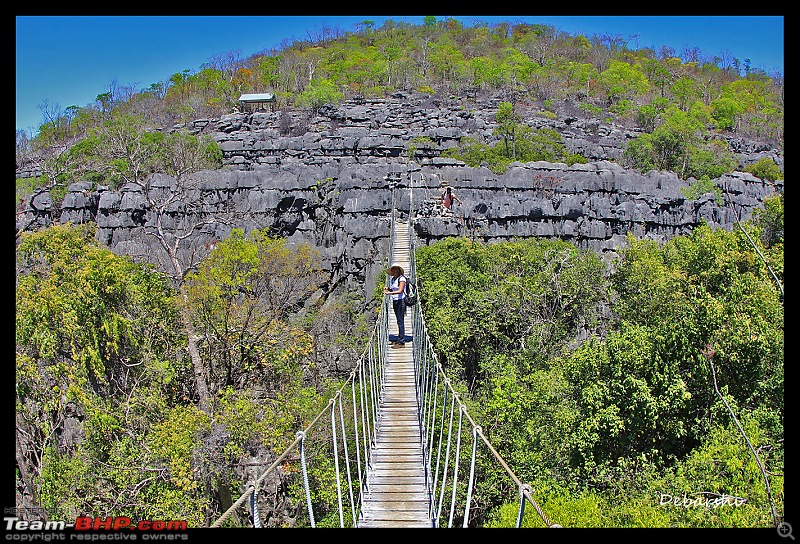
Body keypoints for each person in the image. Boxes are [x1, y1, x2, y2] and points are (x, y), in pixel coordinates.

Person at [383, 264, 407, 347]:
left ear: (399, 270)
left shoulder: (402, 278)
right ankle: (400, 338)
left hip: (401, 301)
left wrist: (389, 293)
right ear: (392, 271)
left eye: (397, 269)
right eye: (394, 269)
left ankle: (401, 341)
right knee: (398, 320)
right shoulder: (393, 279)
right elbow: (394, 289)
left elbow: (400, 291)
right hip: (395, 301)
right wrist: (388, 289)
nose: (395, 271)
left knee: (400, 321)